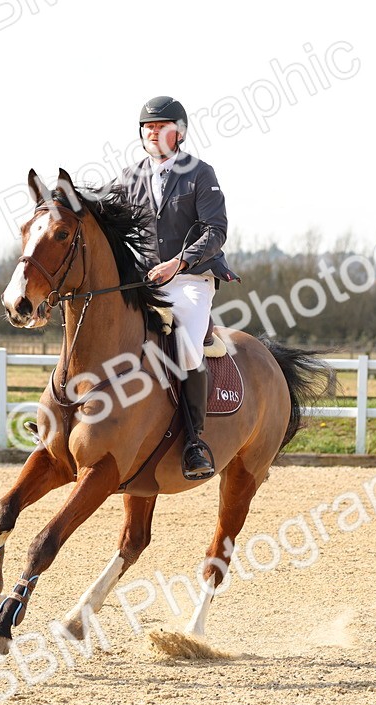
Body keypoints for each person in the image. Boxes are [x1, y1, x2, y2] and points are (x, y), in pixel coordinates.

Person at [115, 95, 238, 481]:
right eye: (147, 127)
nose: (153, 132)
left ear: (179, 132)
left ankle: (194, 440)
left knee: (184, 340)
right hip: (146, 280)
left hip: (190, 279)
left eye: (161, 126)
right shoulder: (129, 177)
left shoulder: (200, 173)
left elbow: (216, 231)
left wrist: (179, 262)